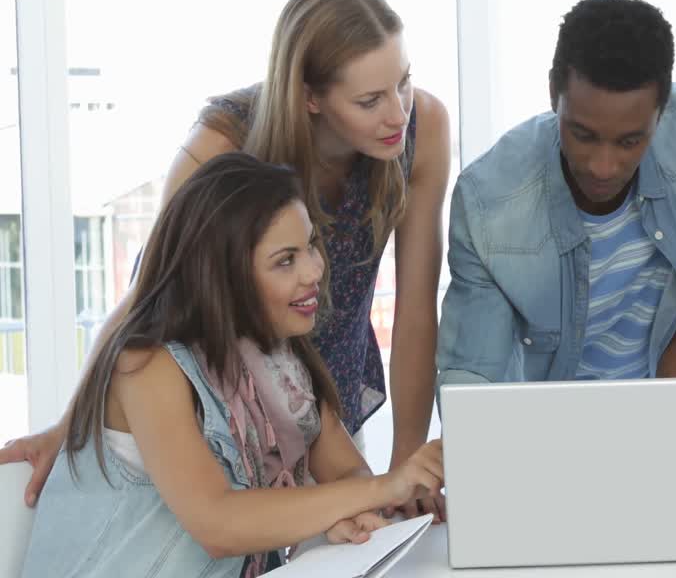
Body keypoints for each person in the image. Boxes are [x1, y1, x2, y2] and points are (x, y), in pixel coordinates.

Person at [1, 0, 451, 518]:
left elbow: (416, 310)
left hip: (316, 391)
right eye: (370, 99)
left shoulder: (422, 127)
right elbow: (148, 297)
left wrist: (408, 472)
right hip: (229, 406)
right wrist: (71, 425)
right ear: (310, 97)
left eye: (403, 82)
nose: (397, 114)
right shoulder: (220, 146)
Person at [21, 153, 446, 578]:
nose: (314, 270)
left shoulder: (284, 359)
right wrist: (382, 487)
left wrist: (351, 511)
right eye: (285, 260)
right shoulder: (148, 365)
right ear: (223, 275)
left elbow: (346, 471)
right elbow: (217, 522)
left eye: (311, 245)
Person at [436, 0, 676, 386]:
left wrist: (668, 432)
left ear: (662, 111)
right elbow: (471, 375)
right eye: (583, 135)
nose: (602, 167)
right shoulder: (487, 203)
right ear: (553, 92)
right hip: (537, 434)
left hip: (658, 418)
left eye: (629, 142)